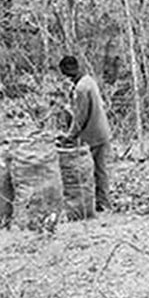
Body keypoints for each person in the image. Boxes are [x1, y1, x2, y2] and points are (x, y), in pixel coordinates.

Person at [58, 55, 113, 212]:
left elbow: (80, 117)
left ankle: (102, 204)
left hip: (93, 135)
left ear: (67, 72)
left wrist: (69, 137)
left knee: (93, 172)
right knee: (100, 170)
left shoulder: (82, 88)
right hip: (101, 131)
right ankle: (103, 203)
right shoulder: (89, 80)